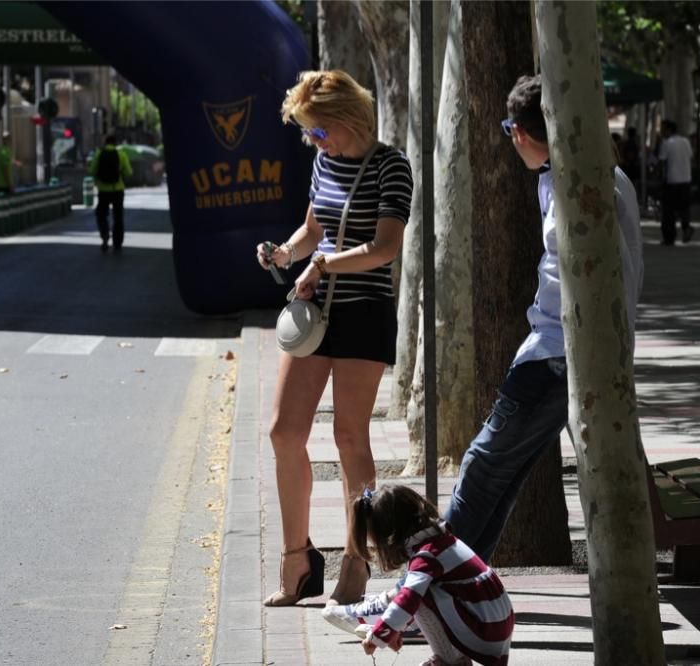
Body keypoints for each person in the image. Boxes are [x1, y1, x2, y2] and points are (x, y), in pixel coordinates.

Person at [323, 73, 643, 635]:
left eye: (506, 130)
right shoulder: (597, 175)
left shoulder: (574, 184)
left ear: (521, 133)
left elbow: (577, 274)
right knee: (502, 473)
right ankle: (450, 598)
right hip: (572, 350)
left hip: (554, 353)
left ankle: (414, 601)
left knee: (481, 468)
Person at [255, 69, 413, 607]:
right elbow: (314, 228)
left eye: (319, 130)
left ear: (348, 118)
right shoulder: (323, 162)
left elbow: (385, 247)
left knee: (350, 438)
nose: (313, 141)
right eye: (308, 132)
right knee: (282, 431)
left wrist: (321, 266)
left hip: (363, 314)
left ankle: (356, 558)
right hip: (314, 314)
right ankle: (297, 560)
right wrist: (286, 253)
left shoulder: (392, 166)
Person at [352, 486, 513, 666]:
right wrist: (397, 627)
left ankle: (452, 661)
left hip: (486, 631)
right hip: (494, 625)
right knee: (418, 591)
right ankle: (451, 658)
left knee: (418, 596)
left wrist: (380, 635)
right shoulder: (440, 542)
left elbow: (408, 599)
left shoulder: (427, 556)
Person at [89, 135, 133, 252]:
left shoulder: (99, 154)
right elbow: (129, 172)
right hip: (118, 189)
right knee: (118, 217)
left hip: (103, 190)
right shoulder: (121, 154)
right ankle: (117, 243)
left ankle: (105, 235)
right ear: (115, 143)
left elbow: (92, 171)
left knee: (101, 214)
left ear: (105, 142)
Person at [657, 119, 694, 244]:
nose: (661, 132)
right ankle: (686, 226)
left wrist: (660, 178)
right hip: (686, 179)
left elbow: (662, 162)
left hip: (671, 180)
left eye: (662, 129)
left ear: (668, 130)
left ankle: (669, 236)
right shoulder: (685, 141)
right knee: (684, 207)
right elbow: (690, 157)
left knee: (669, 210)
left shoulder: (667, 143)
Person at [0, 131, 19, 197]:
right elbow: (5, 168)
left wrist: (15, 162)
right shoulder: (6, 151)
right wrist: (10, 185)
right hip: (4, 185)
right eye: (9, 139)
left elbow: (1, 162)